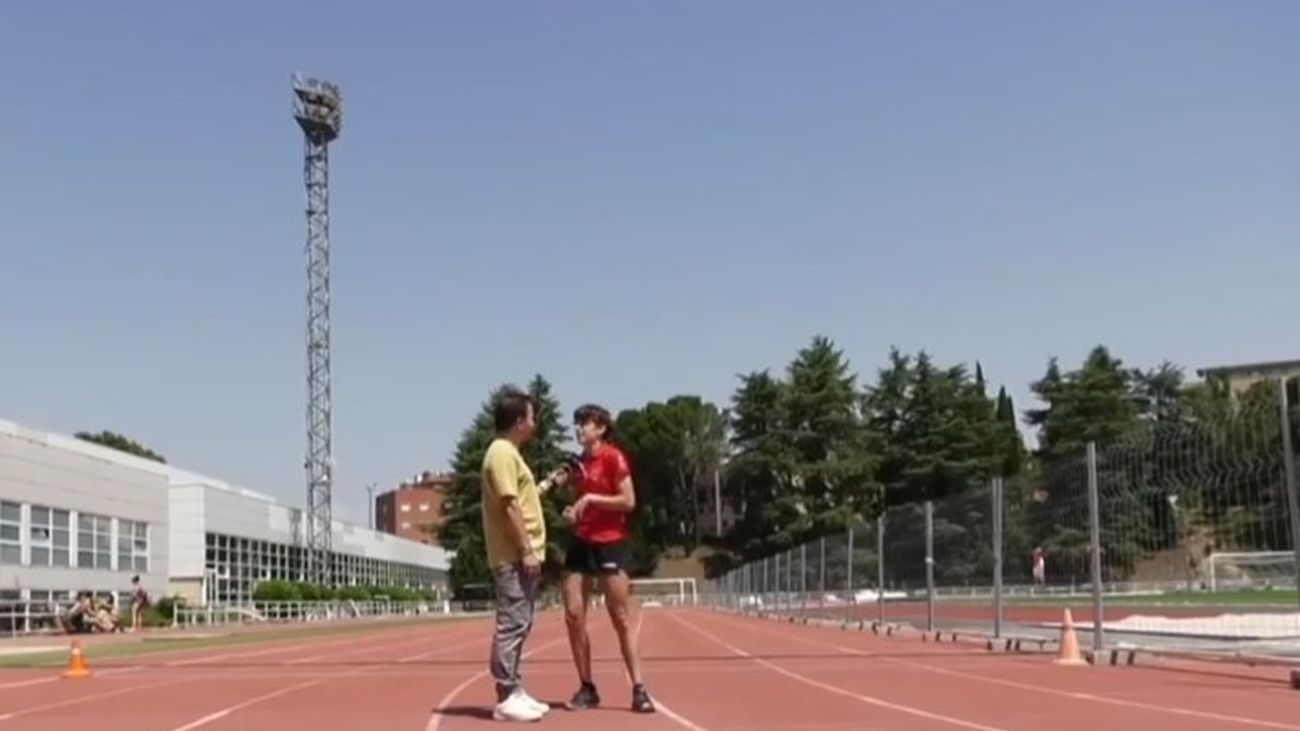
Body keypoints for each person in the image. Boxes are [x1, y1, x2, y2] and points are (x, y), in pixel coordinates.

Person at [559, 403, 655, 714]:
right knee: (574, 615)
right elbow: (577, 506)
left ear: (600, 428)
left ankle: (638, 688)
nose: (578, 429)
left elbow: (628, 501)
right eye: (576, 424)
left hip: (610, 543)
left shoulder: (613, 457)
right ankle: (587, 687)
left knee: (620, 616)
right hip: (580, 542)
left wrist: (591, 499)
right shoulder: (577, 465)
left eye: (584, 423)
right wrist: (572, 512)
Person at [480, 388, 561, 723]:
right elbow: (509, 504)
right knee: (512, 623)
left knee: (522, 622)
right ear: (518, 421)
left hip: (522, 554)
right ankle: (505, 693)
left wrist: (549, 485)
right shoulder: (501, 452)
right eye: (531, 417)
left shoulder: (510, 454)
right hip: (513, 555)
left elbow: (525, 497)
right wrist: (526, 550)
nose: (535, 423)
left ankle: (514, 687)